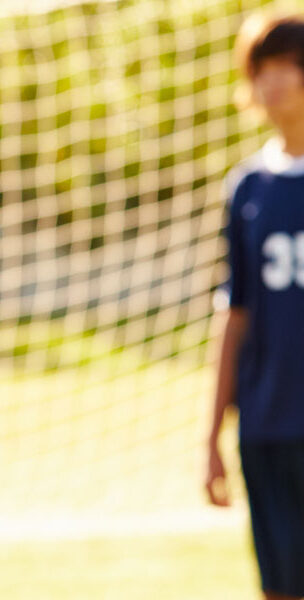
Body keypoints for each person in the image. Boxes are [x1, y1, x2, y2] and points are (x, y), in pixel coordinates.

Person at [206, 14, 304, 600]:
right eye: (260, 70)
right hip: (267, 419)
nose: (274, 83)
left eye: (289, 67)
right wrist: (210, 434)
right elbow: (234, 313)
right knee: (280, 584)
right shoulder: (247, 187)